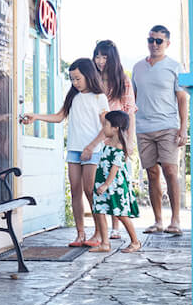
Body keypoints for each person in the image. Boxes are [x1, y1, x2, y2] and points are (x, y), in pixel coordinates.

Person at [21, 58, 108, 247]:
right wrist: (36, 116)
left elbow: (106, 128)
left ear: (89, 75)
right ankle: (80, 233)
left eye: (78, 78)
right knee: (76, 191)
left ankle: (100, 233)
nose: (75, 83)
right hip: (74, 151)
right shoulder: (73, 96)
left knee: (90, 191)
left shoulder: (99, 97)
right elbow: (59, 117)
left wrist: (91, 147)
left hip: (92, 151)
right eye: (72, 79)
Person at [132, 25, 188, 236]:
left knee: (170, 170)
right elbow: (133, 99)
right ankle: (158, 221)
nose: (154, 44)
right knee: (152, 173)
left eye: (159, 41)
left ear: (167, 44)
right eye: (151, 40)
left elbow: (182, 98)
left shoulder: (174, 66)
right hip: (143, 127)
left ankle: (175, 220)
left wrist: (183, 128)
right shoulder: (137, 67)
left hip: (167, 126)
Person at [93, 39, 137, 240]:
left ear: (112, 58)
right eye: (98, 56)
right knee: (100, 179)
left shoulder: (123, 80)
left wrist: (129, 141)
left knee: (116, 180)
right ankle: (100, 228)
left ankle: (116, 227)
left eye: (104, 57)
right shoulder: (92, 79)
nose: (100, 61)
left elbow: (130, 112)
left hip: (116, 135)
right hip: (95, 133)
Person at [91, 111, 142, 254]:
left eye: (106, 125)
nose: (103, 128)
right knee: (99, 210)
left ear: (116, 128)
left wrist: (106, 184)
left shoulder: (119, 146)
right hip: (101, 182)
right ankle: (105, 243)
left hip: (115, 186)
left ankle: (135, 242)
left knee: (120, 214)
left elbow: (115, 168)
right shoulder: (106, 143)